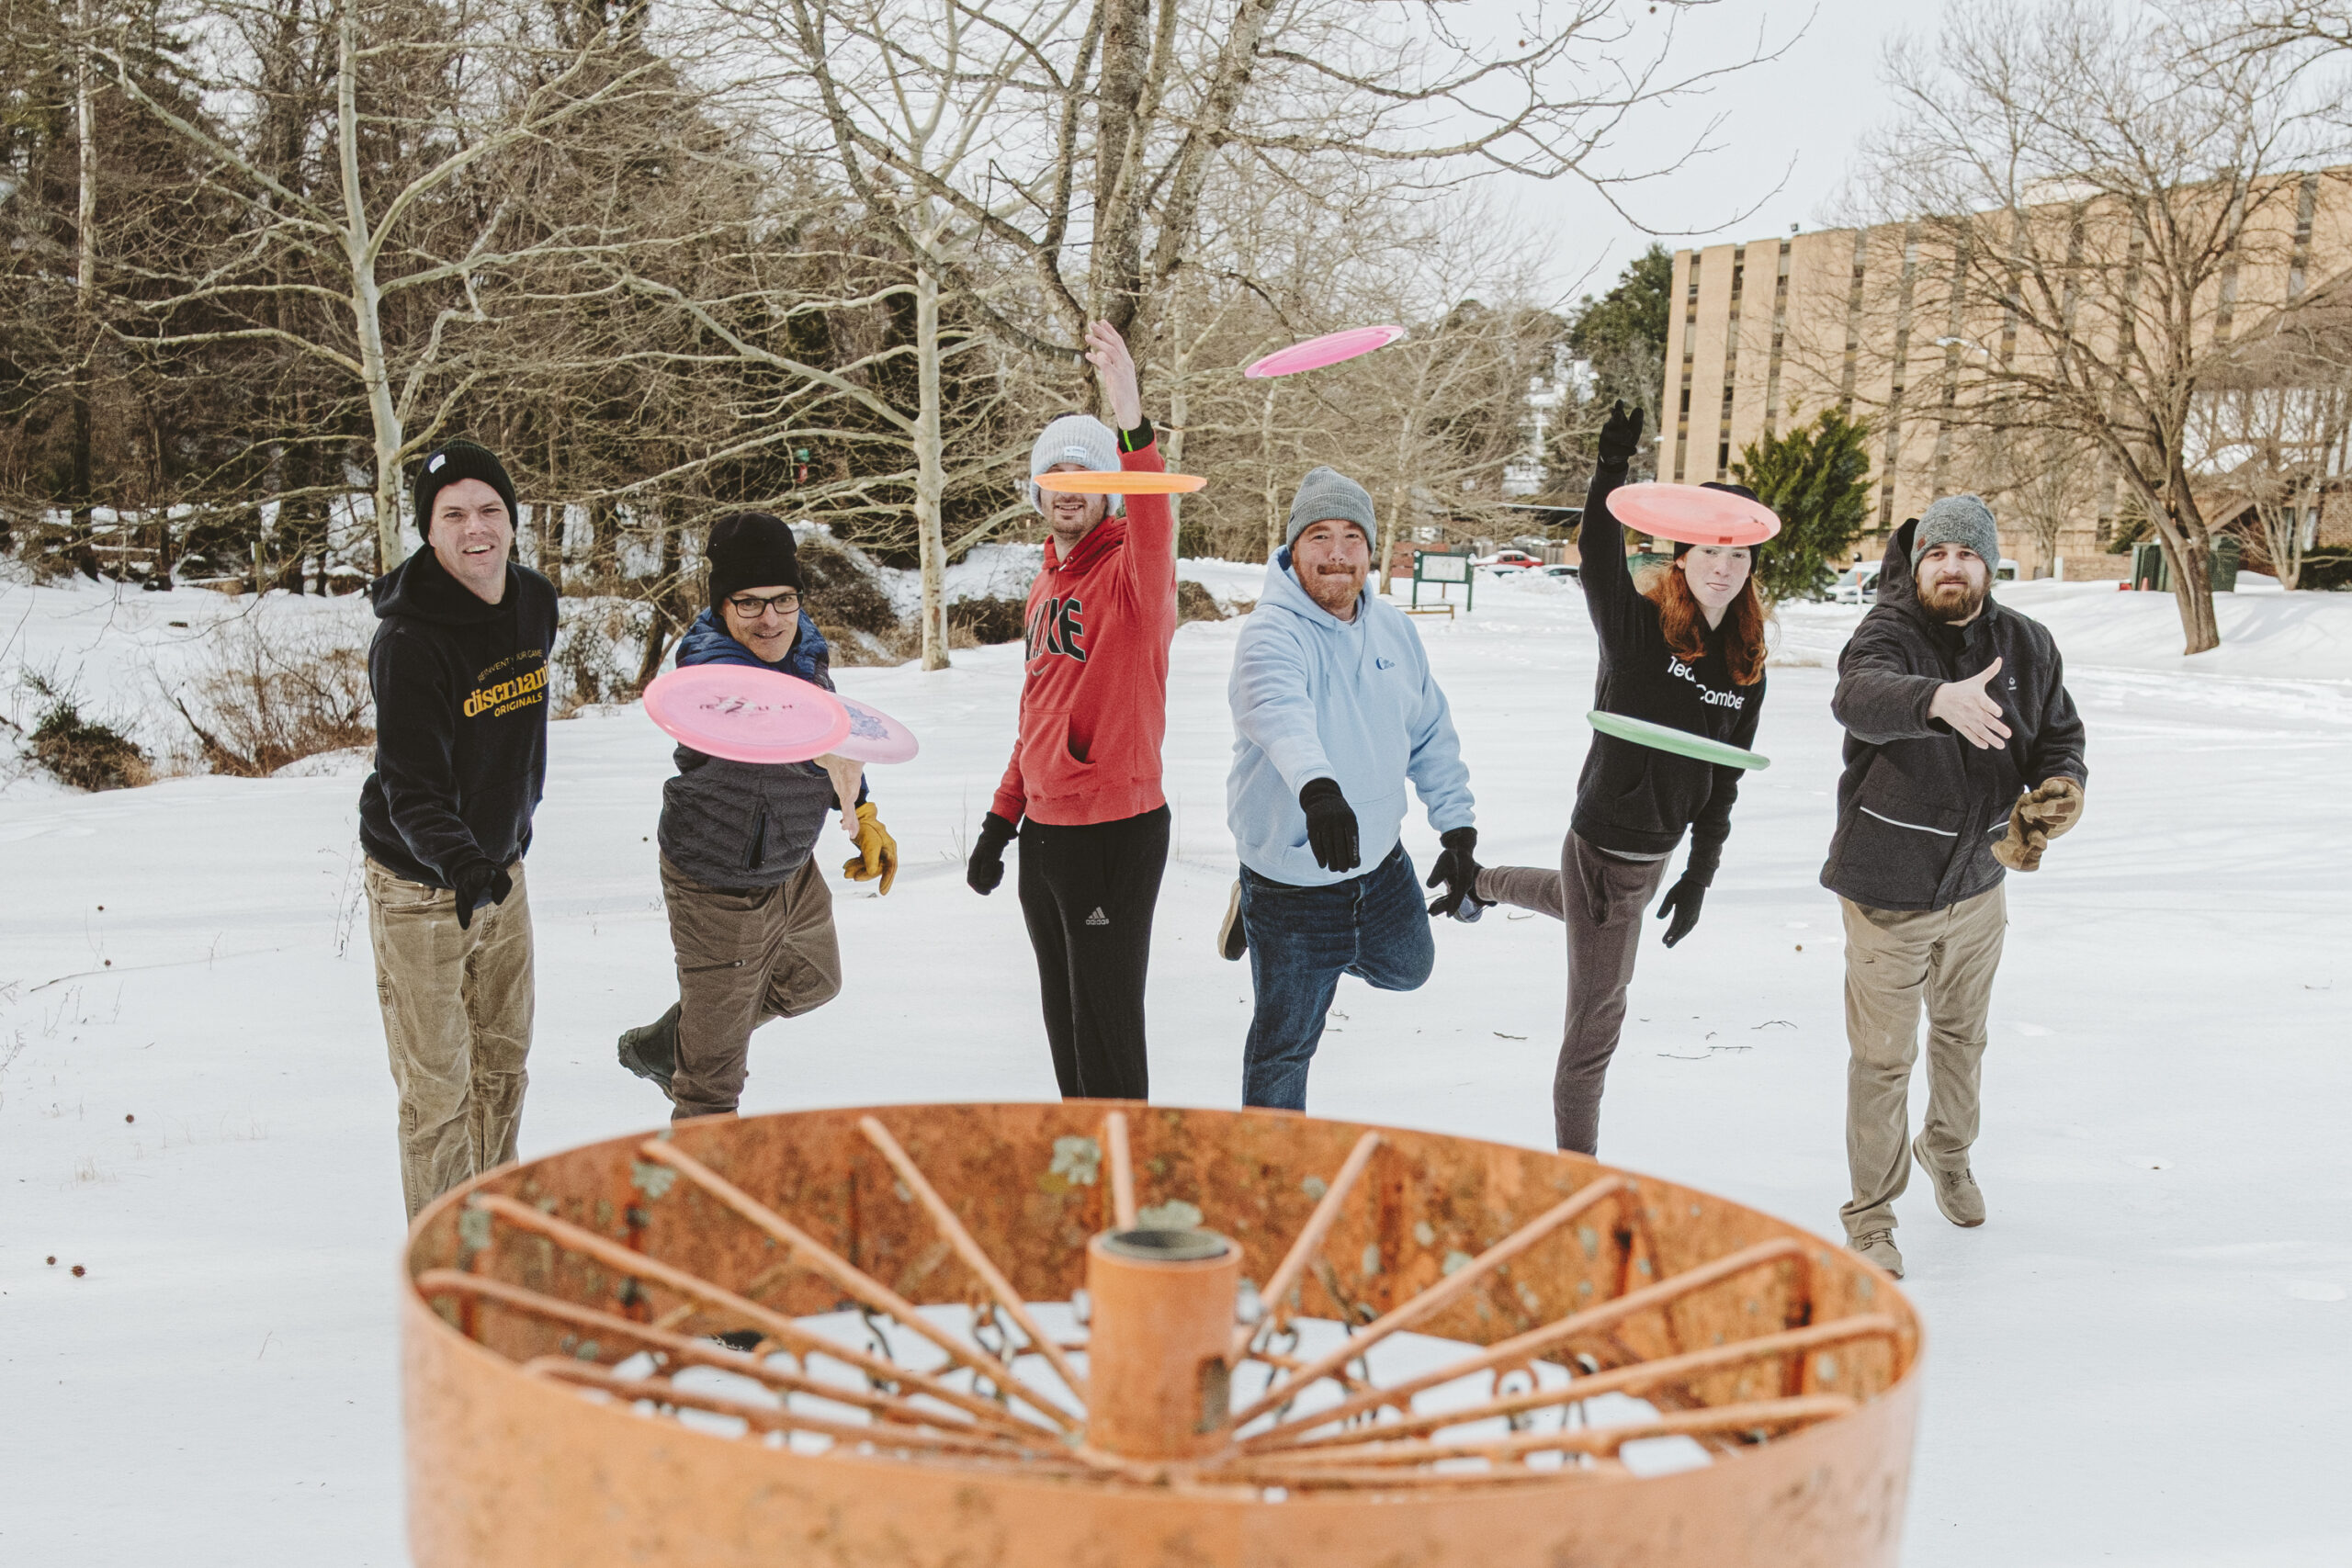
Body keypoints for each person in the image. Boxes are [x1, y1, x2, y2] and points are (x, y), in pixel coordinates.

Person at [1473, 401, 1767, 1156]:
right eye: (1708, 551)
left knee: (1575, 910)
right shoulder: (1637, 625)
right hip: (1605, 843)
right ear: (1681, 555)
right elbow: (1597, 555)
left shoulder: (1745, 665)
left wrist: (1700, 874)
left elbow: (1724, 782)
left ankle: (1478, 884)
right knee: (1597, 1021)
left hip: (1658, 850)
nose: (1724, 568)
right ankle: (1576, 1174)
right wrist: (1611, 471)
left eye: (1738, 555)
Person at [1824, 493, 2086, 1279]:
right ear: (1918, 561)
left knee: (1962, 1036)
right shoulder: (1889, 631)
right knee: (1883, 1059)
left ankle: (1949, 1152)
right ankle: (1871, 1214)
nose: (1950, 566)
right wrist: (1935, 699)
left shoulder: (2029, 645)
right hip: (1888, 886)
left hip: (1980, 880)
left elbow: (2060, 734)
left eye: (1966, 554)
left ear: (1989, 563)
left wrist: (2062, 785)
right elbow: (1857, 694)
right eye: (1936, 553)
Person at [616, 512, 896, 1119]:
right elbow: (768, 719)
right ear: (722, 606)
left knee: (815, 979)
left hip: (788, 865)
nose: (770, 618)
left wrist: (861, 805)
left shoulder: (805, 648)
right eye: (749, 603)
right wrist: (829, 749)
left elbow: (831, 731)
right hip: (722, 882)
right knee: (712, 1088)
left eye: (783, 599)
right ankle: (704, 1204)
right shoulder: (708, 665)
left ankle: (674, 1041)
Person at [962, 321, 1173, 1100]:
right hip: (1044, 839)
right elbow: (1038, 714)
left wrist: (1131, 420)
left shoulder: (1132, 577)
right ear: (1038, 492)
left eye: (1085, 473)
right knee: (1067, 1033)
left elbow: (1156, 525)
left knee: (1109, 1039)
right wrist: (1000, 819)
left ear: (1109, 487)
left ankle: (1130, 1202)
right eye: (1054, 475)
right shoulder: (1045, 586)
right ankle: (1088, 1191)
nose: (1068, 487)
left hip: (1114, 834)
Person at [1227, 465, 1478, 1111]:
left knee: (1409, 967)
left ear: (1369, 548)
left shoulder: (1394, 629)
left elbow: (1430, 731)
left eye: (1350, 537)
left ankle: (1298, 951)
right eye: (1318, 536)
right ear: (1293, 547)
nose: (1336, 554)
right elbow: (1280, 713)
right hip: (1292, 881)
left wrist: (1458, 829)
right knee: (1285, 1046)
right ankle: (1270, 1184)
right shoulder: (1269, 632)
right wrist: (1318, 791)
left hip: (1379, 861)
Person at [358, 438, 558, 1219]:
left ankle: (493, 1231)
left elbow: (512, 737)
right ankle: (443, 1264)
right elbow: (411, 788)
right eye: (454, 515)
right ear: (428, 531)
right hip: (420, 884)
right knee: (439, 1087)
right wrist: (463, 863)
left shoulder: (536, 600)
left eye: (489, 511)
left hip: (501, 871)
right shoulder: (407, 643)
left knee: (504, 1067)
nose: (476, 529)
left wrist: (505, 839)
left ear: (512, 519)